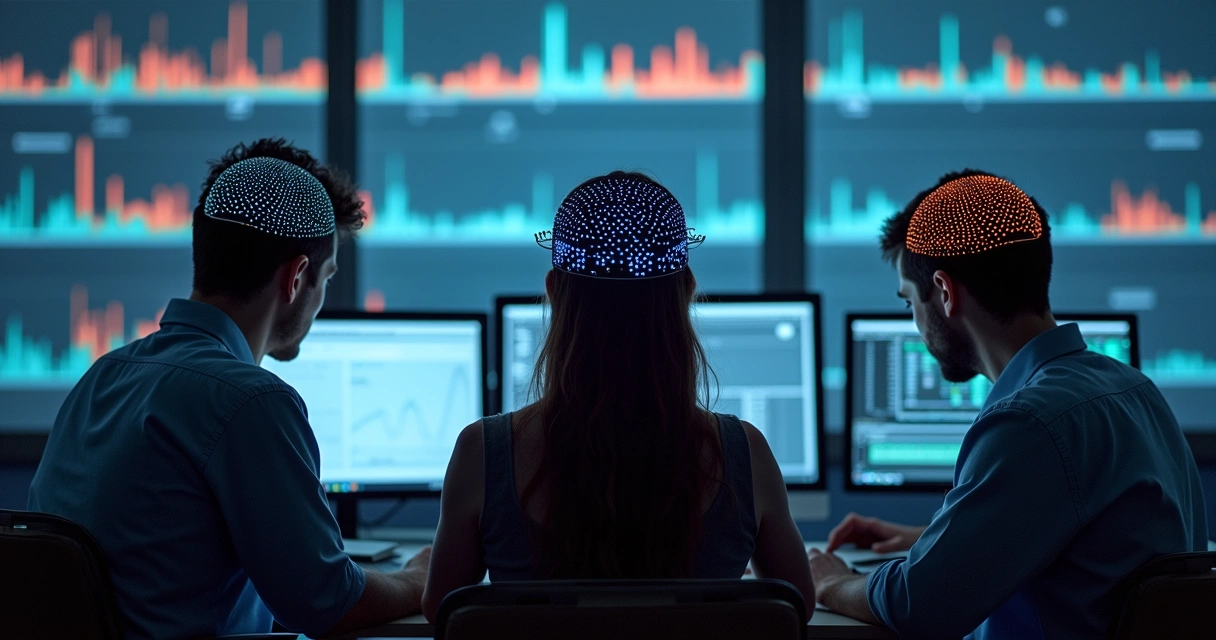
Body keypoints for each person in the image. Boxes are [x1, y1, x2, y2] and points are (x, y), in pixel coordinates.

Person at [29, 139, 430, 640]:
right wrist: (419, 579)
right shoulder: (250, 400)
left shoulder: (101, 377)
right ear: (296, 277)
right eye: (324, 279)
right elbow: (327, 604)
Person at [807, 169, 1208, 639]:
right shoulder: (1134, 390)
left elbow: (918, 604)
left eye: (908, 303)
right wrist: (933, 539)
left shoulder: (1028, 424)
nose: (913, 321)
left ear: (944, 292)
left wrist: (832, 582)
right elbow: (1087, 543)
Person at [421, 171, 814, 620]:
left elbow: (441, 612)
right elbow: (796, 606)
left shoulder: (482, 455)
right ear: (686, 290)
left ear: (553, 291)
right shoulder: (746, 455)